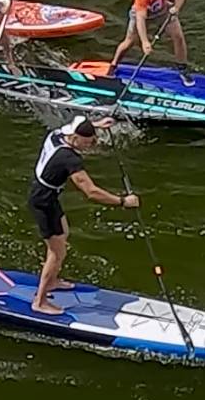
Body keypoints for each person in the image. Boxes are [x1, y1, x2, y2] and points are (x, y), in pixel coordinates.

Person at [28, 117, 137, 316]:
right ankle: (40, 301)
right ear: (75, 137)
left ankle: (52, 282)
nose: (89, 146)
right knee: (56, 252)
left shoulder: (57, 135)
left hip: (46, 195)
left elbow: (80, 125)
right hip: (43, 202)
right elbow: (91, 192)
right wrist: (123, 201)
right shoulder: (69, 159)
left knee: (63, 234)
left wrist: (95, 125)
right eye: (86, 143)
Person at [109, 0, 189, 75]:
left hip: (162, 10)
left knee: (178, 36)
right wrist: (145, 42)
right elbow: (140, 19)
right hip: (143, 14)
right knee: (130, 41)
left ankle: (182, 67)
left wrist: (176, 8)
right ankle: (114, 64)